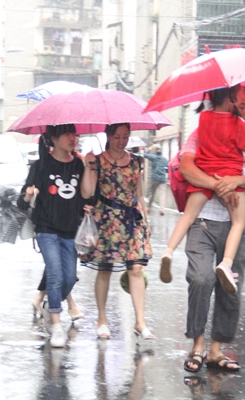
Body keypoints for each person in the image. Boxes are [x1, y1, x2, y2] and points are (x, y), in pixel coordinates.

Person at [181, 85, 245, 372]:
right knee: (201, 279)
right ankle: (197, 344)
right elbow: (186, 169)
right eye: (242, 105)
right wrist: (219, 183)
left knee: (230, 288)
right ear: (229, 102)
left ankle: (216, 349)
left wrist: (237, 182)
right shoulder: (200, 133)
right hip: (203, 219)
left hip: (235, 224)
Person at [160, 87, 245, 293]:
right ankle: (226, 264)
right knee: (238, 222)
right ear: (230, 101)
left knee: (188, 217)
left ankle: (168, 251)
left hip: (204, 177)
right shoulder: (238, 123)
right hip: (230, 179)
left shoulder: (204, 120)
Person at [17, 124, 96, 348]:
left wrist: (89, 167)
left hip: (71, 231)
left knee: (69, 278)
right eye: (69, 134)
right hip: (46, 229)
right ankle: (56, 324)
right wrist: (28, 195)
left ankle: (49, 304)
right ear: (54, 138)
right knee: (55, 273)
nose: (74, 138)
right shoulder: (41, 165)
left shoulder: (79, 165)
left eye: (76, 134)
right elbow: (20, 202)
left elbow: (89, 195)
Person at [80, 123, 155, 341]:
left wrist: (146, 223)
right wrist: (88, 166)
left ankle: (140, 322)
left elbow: (139, 193)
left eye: (125, 136)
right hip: (107, 220)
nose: (121, 141)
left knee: (136, 269)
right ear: (108, 136)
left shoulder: (136, 161)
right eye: (116, 136)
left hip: (132, 219)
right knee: (105, 270)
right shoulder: (98, 160)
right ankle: (101, 319)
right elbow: (87, 192)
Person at [143, 147, 168, 215]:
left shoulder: (154, 157)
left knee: (151, 193)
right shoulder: (165, 159)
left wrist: (149, 149)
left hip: (154, 178)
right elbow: (167, 169)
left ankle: (148, 208)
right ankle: (162, 209)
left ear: (155, 152)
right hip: (162, 179)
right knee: (162, 194)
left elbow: (144, 154)